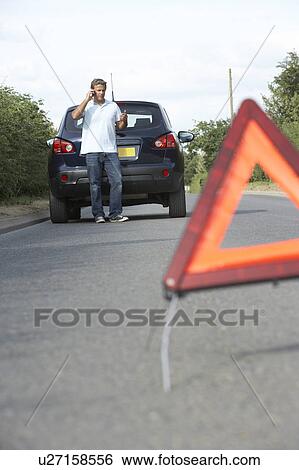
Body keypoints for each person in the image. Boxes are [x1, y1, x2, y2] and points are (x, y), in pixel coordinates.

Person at [71, 78, 129, 223]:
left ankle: (115, 214)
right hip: (91, 151)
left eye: (103, 90)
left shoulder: (113, 106)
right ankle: (98, 214)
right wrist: (86, 99)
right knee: (94, 184)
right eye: (98, 90)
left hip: (110, 150)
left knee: (117, 181)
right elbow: (74, 116)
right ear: (93, 90)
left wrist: (124, 119)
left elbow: (120, 127)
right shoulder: (87, 106)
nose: (101, 93)